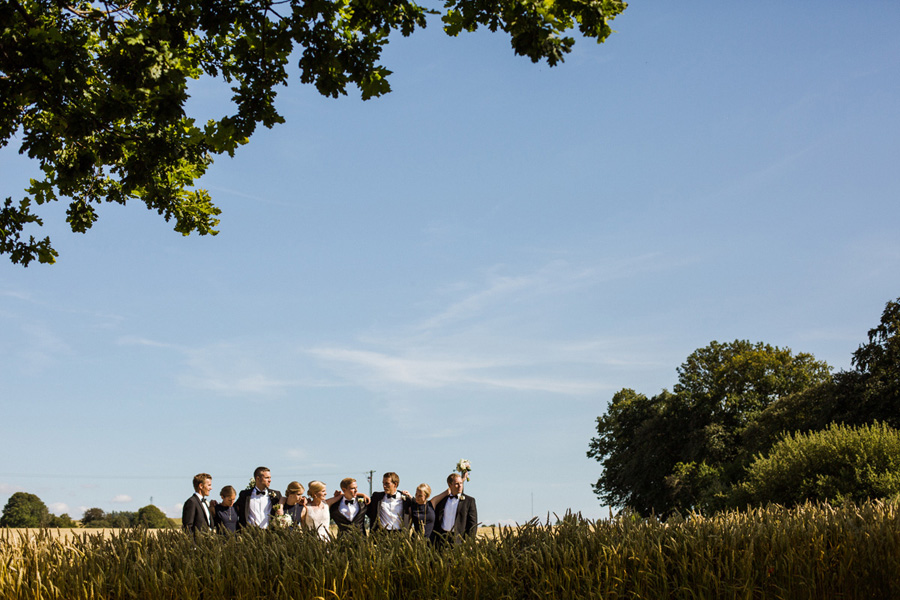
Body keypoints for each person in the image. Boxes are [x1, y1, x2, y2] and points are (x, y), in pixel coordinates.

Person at [431, 473, 477, 544]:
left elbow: (473, 524)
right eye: (457, 484)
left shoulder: (469, 501)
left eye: (461, 483)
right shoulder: (442, 501)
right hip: (442, 539)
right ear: (450, 485)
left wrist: (470, 542)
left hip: (459, 540)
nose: (460, 486)